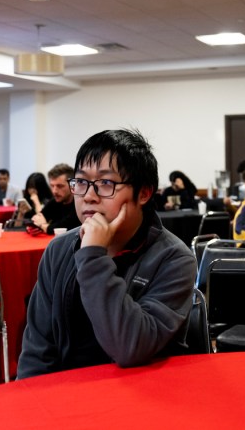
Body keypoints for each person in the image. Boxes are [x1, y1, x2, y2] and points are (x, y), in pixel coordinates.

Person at [17, 129, 197, 377]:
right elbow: (37, 351)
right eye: (81, 182)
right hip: (65, 396)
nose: (89, 196)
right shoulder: (59, 250)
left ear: (144, 193)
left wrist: (92, 255)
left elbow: (129, 348)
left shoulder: (173, 259)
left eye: (106, 183)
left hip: (143, 396)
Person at [30, 164, 82, 235]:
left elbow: (63, 227)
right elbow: (37, 219)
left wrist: (43, 226)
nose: (54, 191)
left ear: (72, 185)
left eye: (60, 186)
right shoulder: (55, 201)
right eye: (52, 186)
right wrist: (42, 225)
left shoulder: (79, 203)